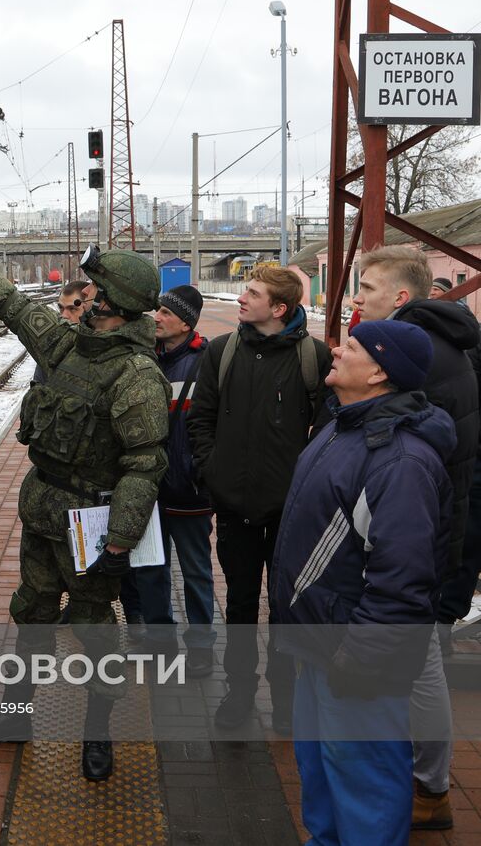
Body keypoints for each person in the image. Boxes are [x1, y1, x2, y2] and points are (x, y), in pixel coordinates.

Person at [0, 232, 169, 782]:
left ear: (115, 305)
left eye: (97, 293)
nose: (88, 301)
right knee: (31, 613)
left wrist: (121, 542)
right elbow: (9, 304)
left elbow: (144, 465)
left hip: (91, 526)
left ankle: (97, 733)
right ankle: (14, 718)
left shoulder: (136, 376)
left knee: (94, 626)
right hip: (43, 512)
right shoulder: (67, 345)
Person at [273, 320, 454, 846]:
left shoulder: (400, 461)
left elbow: (402, 582)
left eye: (350, 346)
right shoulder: (343, 426)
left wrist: (362, 661)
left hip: (355, 658)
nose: (335, 348)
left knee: (365, 785)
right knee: (324, 774)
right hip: (321, 644)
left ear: (378, 371)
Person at [350, 244, 479, 830]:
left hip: (422, 532)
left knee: (420, 658)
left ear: (400, 298)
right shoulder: (435, 343)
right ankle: (423, 779)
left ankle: (428, 788)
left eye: (367, 287)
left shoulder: (417, 352)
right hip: (430, 525)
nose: (355, 297)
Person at [188, 265, 332, 733]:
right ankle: (241, 689)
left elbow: (330, 430)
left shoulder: (314, 357)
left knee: (288, 607)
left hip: (293, 511)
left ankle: (286, 697)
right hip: (235, 506)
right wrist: (214, 470)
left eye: (253, 292)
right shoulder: (221, 352)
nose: (242, 297)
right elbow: (200, 419)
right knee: (242, 604)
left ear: (279, 308)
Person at [125, 285, 216, 679]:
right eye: (156, 310)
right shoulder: (145, 359)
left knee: (195, 570)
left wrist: (200, 469)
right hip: (148, 490)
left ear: (185, 322)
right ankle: (161, 639)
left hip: (190, 490)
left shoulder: (205, 362)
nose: (156, 317)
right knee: (149, 566)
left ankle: (200, 647)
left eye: (164, 312)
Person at [32, 280, 94, 385]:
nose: (64, 316)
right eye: (61, 308)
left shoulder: (100, 349)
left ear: (89, 309)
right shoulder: (54, 349)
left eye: (72, 309)